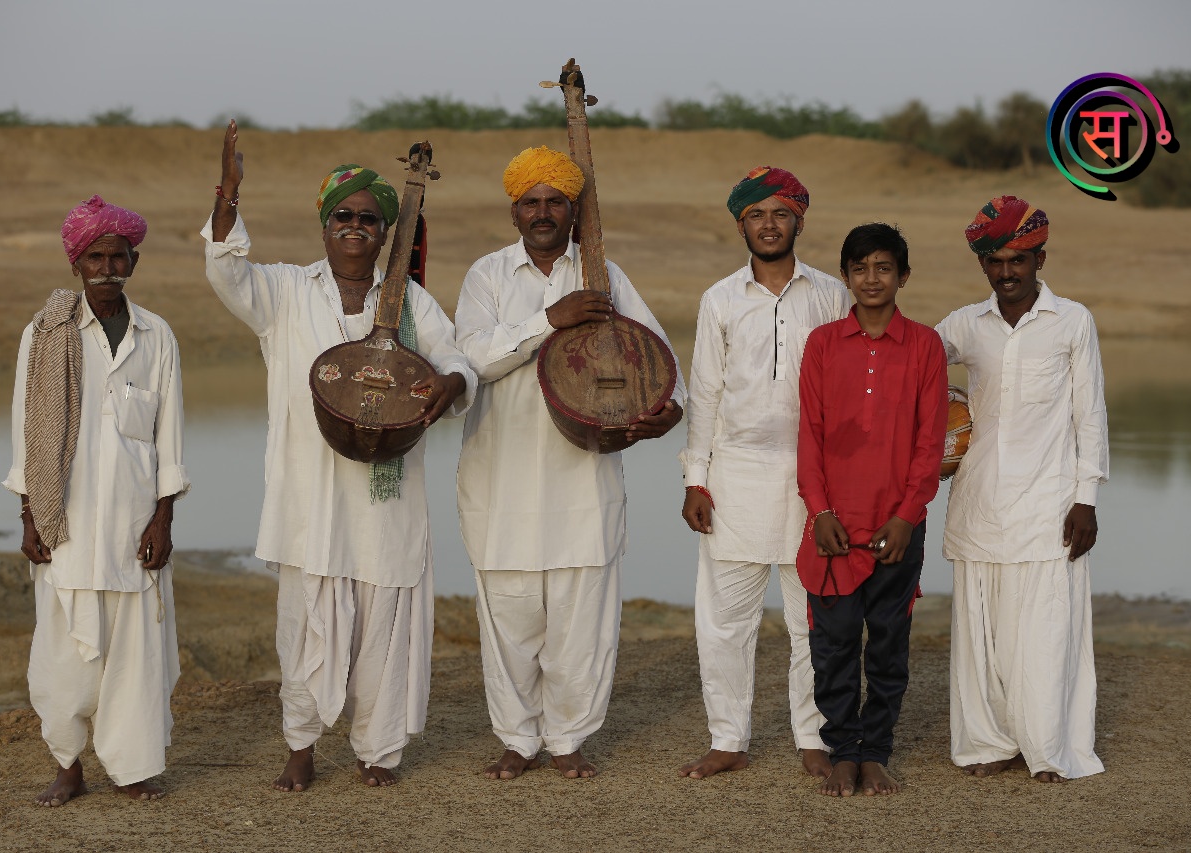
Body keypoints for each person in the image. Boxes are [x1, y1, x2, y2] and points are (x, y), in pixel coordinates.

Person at [201, 121, 476, 791]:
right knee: (305, 626)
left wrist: (450, 383)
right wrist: (228, 197)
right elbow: (223, 269)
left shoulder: (408, 301)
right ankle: (301, 745)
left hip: (388, 500)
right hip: (311, 497)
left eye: (368, 218)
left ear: (385, 233)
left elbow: (457, 359)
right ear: (325, 226)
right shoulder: (286, 293)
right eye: (343, 215)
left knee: (385, 621)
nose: (355, 225)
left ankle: (377, 750)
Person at [455, 145, 686, 780]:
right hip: (500, 481)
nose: (542, 212)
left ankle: (568, 739)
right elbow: (473, 357)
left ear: (573, 209)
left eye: (555, 200)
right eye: (530, 202)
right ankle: (516, 738)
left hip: (583, 480)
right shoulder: (488, 276)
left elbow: (657, 356)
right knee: (509, 617)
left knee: (582, 623)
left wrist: (669, 411)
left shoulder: (603, 275)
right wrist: (547, 322)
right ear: (514, 212)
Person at [5, 195, 189, 806]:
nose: (107, 266)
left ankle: (132, 768)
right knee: (64, 652)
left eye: (118, 255)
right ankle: (68, 763)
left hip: (135, 524)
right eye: (95, 256)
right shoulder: (45, 334)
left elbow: (170, 439)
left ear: (134, 261)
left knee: (136, 654)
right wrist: (30, 514)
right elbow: (24, 431)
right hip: (69, 525)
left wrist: (164, 518)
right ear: (76, 263)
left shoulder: (156, 334)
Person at [677, 167, 848, 781]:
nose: (768, 224)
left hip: (815, 484)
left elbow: (851, 390)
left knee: (813, 620)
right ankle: (729, 739)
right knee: (725, 623)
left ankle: (815, 736)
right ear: (740, 224)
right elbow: (706, 395)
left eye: (780, 213)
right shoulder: (720, 299)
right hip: (735, 479)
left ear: (800, 220)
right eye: (756, 214)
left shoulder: (831, 295)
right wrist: (696, 478)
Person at [936, 196, 1108, 783]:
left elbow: (1091, 416)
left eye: (1018, 260)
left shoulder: (1072, 321)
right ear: (982, 264)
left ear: (1040, 258)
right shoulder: (965, 324)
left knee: (1043, 632)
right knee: (980, 634)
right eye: (994, 261)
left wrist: (1086, 498)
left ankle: (1049, 749)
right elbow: (911, 360)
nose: (1007, 272)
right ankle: (988, 744)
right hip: (979, 500)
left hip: (1050, 504)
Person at [797, 223, 947, 797]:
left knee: (887, 642)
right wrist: (819, 511)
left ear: (903, 276)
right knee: (832, 645)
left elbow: (929, 443)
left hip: (897, 527)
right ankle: (842, 751)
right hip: (834, 526)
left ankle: (876, 752)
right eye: (860, 268)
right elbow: (809, 435)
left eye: (883, 267)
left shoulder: (925, 346)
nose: (871, 278)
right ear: (845, 276)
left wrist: (909, 515)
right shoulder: (823, 344)